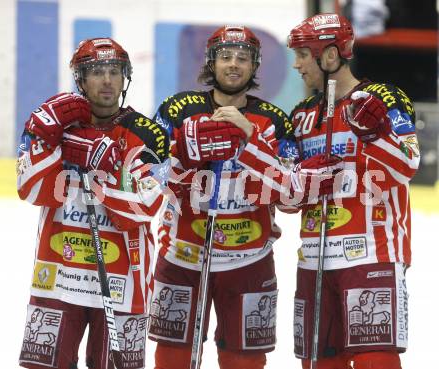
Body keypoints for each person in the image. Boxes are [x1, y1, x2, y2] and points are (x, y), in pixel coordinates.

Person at [148, 25, 340, 369]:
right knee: (172, 357)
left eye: (242, 58)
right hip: (183, 257)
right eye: (225, 57)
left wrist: (250, 136)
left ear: (255, 66)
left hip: (249, 260)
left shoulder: (274, 121)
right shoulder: (177, 110)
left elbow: (290, 195)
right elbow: (148, 177)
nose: (233, 64)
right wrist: (183, 157)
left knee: (245, 361)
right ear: (211, 62)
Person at [238, 13, 420, 369]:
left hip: (372, 254)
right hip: (314, 260)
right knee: (317, 363)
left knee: (375, 361)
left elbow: (407, 164)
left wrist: (374, 135)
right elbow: (288, 198)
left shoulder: (385, 98)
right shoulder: (302, 115)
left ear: (331, 56)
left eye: (304, 54)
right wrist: (301, 175)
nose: (296, 64)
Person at [17, 37, 169, 369]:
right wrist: (43, 134)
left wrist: (106, 164)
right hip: (58, 276)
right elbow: (30, 189)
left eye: (114, 71)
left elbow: (146, 205)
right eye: (96, 71)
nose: (107, 80)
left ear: (124, 77)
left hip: (125, 285)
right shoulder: (58, 127)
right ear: (81, 80)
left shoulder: (149, 134)